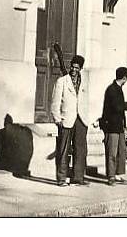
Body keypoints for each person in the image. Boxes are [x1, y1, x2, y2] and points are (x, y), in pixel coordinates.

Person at [51, 55, 92, 186]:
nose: (74, 70)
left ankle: (77, 177)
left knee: (80, 150)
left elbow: (87, 101)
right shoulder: (62, 81)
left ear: (81, 68)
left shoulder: (84, 82)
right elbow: (55, 102)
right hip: (66, 119)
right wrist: (57, 118)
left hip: (80, 120)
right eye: (72, 67)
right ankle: (61, 178)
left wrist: (88, 118)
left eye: (77, 67)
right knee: (63, 150)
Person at [100, 66, 127, 186]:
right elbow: (117, 107)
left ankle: (118, 175)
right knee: (112, 153)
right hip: (111, 126)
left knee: (121, 151)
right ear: (124, 78)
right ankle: (111, 176)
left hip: (119, 126)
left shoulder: (117, 88)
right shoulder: (112, 89)